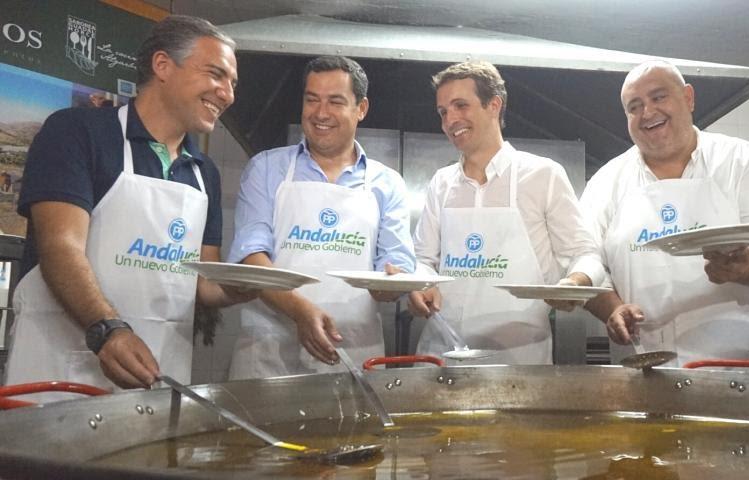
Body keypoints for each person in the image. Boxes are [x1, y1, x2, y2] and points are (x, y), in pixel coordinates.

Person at [3, 15, 252, 402]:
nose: (229, 95)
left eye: (233, 84)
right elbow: (60, 248)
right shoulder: (76, 132)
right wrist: (107, 330)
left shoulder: (205, 173)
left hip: (159, 375)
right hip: (59, 374)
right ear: (163, 66)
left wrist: (245, 287)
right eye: (217, 75)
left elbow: (201, 283)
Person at [581, 60, 749, 367]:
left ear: (688, 98)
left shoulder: (739, 160)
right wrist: (611, 308)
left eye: (658, 97)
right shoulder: (607, 181)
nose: (648, 113)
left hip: (735, 367)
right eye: (634, 106)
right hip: (644, 364)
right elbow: (585, 257)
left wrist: (746, 263)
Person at [227, 56, 415, 379]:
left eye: (335, 102)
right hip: (267, 356)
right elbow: (250, 256)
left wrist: (391, 285)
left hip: (352, 351)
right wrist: (300, 311)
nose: (320, 113)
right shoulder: (267, 169)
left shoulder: (388, 184)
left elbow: (396, 264)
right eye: (311, 99)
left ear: (361, 108)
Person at [408, 61, 604, 364]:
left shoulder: (542, 175)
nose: (450, 120)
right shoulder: (441, 183)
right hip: (443, 354)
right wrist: (422, 284)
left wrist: (574, 283)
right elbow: (424, 260)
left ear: (494, 105)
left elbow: (587, 254)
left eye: (461, 105)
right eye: (443, 112)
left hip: (519, 358)